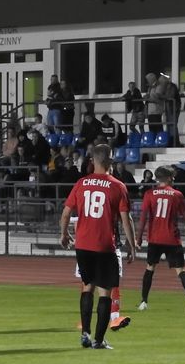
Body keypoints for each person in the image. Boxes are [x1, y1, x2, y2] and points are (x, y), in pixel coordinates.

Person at [59, 143, 137, 350]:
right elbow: (125, 219)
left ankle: (85, 334)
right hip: (104, 246)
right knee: (105, 293)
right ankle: (99, 341)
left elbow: (66, 213)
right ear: (110, 161)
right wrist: (132, 244)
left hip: (82, 245)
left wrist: (64, 234)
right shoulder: (118, 186)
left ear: (93, 160)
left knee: (87, 288)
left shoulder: (81, 183)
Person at [136, 166, 185, 312]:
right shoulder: (177, 195)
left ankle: (144, 301)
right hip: (172, 238)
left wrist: (138, 238)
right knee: (180, 270)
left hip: (155, 238)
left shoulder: (149, 194)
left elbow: (143, 218)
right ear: (169, 178)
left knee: (150, 268)